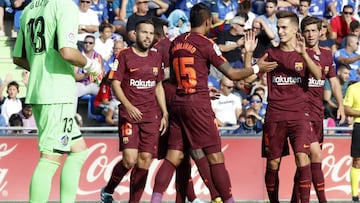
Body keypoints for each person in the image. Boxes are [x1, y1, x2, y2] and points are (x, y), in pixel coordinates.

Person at [150, 3, 278, 203]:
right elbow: (233, 74)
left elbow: (175, 77)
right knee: (215, 157)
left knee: (173, 156)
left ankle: (155, 199)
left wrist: (196, 86)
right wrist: (256, 68)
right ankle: (228, 200)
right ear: (208, 21)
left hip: (178, 102)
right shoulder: (206, 43)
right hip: (198, 105)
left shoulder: (176, 42)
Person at [12, 0, 102, 202]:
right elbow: (67, 52)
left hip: (40, 90)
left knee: (78, 151)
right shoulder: (65, 6)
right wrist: (92, 66)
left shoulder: (29, 8)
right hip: (57, 93)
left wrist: (39, 67)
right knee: (50, 159)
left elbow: (18, 57)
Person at [100, 19, 168, 203]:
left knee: (145, 159)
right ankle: (108, 190)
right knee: (130, 160)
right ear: (135, 34)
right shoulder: (124, 55)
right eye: (144, 32)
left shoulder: (156, 57)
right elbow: (115, 83)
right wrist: (128, 105)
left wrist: (165, 113)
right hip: (129, 115)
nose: (148, 36)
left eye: (151, 33)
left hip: (151, 116)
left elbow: (158, 86)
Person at [260, 10, 322, 203]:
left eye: (284, 27)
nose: (280, 31)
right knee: (273, 163)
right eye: (278, 27)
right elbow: (249, 76)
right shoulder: (270, 54)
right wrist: (249, 61)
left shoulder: (305, 53)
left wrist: (303, 53)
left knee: (303, 158)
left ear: (295, 29)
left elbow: (319, 76)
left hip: (299, 116)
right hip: (275, 116)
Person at [290, 15, 345, 203]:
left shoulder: (327, 54)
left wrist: (342, 106)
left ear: (321, 31)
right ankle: (323, 200)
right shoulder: (296, 52)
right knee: (315, 154)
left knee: (304, 164)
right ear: (301, 33)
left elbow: (334, 82)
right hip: (299, 113)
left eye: (314, 30)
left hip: (317, 112)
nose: (311, 34)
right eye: (307, 30)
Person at [344, 81, 360, 202]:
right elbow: (347, 109)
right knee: (357, 161)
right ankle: (355, 196)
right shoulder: (353, 88)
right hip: (359, 126)